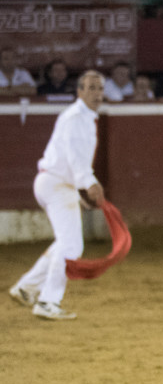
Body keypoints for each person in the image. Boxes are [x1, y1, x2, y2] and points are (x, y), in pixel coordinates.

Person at [10, 70, 107, 320]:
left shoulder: (82, 117)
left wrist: (81, 189)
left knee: (64, 242)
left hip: (55, 183)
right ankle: (47, 301)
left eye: (100, 88)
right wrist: (89, 183)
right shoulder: (76, 118)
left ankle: (26, 287)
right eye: (91, 88)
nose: (97, 94)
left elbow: (72, 159)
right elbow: (76, 159)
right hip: (57, 185)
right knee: (71, 245)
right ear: (79, 91)